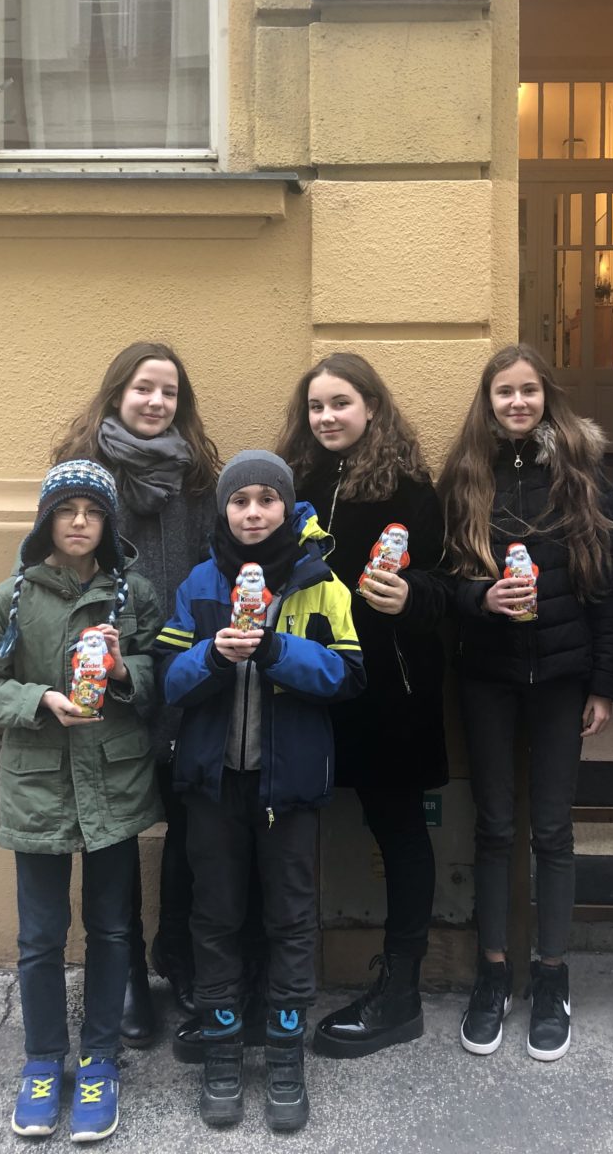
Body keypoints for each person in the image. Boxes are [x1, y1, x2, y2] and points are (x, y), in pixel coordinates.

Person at [155, 452, 365, 1131]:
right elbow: (168, 679)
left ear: (285, 507)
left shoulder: (319, 582)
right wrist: (214, 656)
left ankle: (283, 1053)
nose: (253, 512)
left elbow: (347, 676)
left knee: (291, 918)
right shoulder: (200, 582)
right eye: (239, 500)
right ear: (224, 511)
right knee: (215, 915)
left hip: (290, 787)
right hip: (212, 785)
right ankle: (221, 1049)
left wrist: (275, 650)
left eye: (266, 500)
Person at [0, 461, 162, 1143]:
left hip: (114, 783)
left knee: (112, 929)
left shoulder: (131, 594)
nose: (79, 522)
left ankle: (100, 1059)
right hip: (39, 787)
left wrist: (123, 668)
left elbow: (160, 675)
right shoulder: (12, 597)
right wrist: (39, 699)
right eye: (67, 510)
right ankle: (43, 1061)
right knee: (40, 937)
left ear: (109, 523)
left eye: (93, 511)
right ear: (46, 520)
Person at [437, 345, 613, 1061]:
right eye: (504, 392)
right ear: (487, 402)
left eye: (528, 391)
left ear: (547, 396)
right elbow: (441, 581)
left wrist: (605, 682)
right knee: (493, 826)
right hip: (486, 673)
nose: (517, 403)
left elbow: (605, 583)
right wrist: (480, 599)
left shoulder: (578, 470)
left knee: (552, 830)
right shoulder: (465, 475)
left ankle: (552, 976)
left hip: (562, 676)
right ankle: (492, 974)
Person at [277, 353, 449, 1058]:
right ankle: (271, 977)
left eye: (341, 403)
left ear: (372, 407)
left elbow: (448, 585)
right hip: (303, 684)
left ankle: (402, 989)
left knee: (398, 830)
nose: (326, 418)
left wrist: (413, 597)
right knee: (280, 825)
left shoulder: (410, 489)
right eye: (316, 406)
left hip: (387, 691)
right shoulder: (293, 482)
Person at [52, 341, 219, 1047]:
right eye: (144, 388)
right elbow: (51, 576)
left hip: (183, 679)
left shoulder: (202, 481)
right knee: (113, 833)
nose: (156, 402)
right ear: (117, 393)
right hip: (108, 682)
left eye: (169, 392)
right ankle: (119, 975)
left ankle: (178, 957)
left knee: (191, 831)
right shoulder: (83, 478)